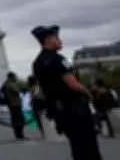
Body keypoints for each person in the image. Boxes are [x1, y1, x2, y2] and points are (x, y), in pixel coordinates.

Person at [31, 24, 103, 160]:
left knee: (77, 148)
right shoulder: (58, 59)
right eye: (56, 38)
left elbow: (42, 89)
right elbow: (74, 85)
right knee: (89, 148)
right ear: (48, 40)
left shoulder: (37, 63)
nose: (60, 41)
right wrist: (89, 94)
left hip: (60, 111)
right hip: (76, 109)